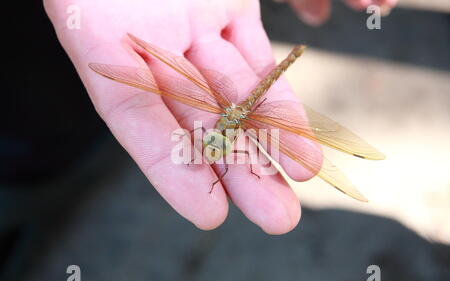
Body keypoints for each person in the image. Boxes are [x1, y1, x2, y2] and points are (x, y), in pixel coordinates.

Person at [43, 0, 396, 234]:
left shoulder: (242, 126)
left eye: (214, 145)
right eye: (213, 145)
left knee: (298, 152)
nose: (212, 146)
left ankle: (294, 53)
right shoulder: (212, 131)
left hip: (245, 106)